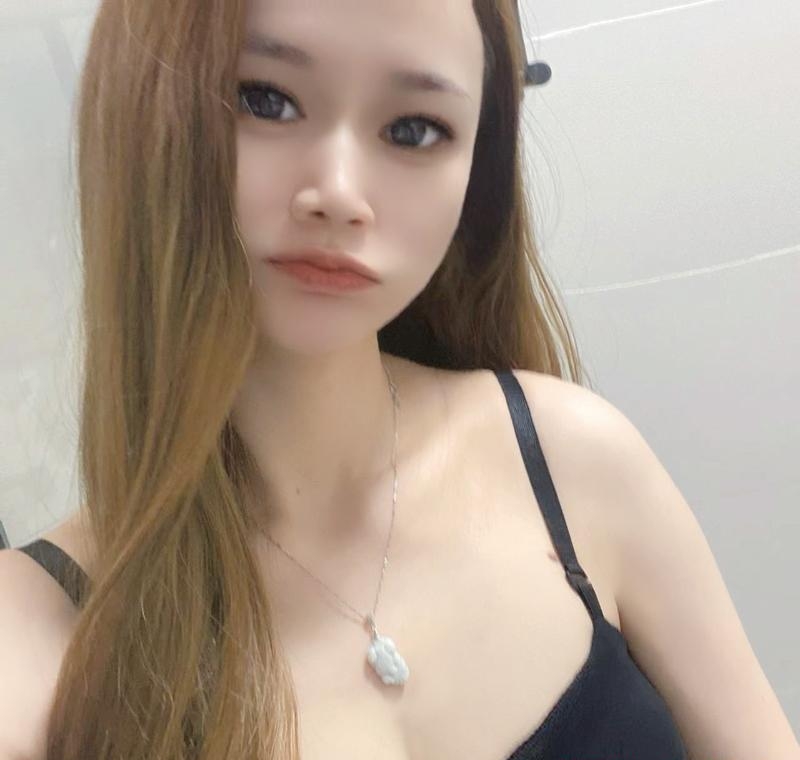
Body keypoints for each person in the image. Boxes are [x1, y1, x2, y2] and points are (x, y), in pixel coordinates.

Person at [1, 0, 798, 758]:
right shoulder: (35, 642)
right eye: (266, 99)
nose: (339, 194)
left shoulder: (572, 458)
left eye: (414, 129)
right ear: (144, 109)